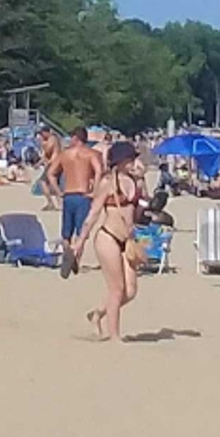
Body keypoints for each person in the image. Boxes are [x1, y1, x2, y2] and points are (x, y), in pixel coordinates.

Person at [72, 141, 146, 342]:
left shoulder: (136, 182)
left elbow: (139, 211)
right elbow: (93, 214)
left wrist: (143, 184)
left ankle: (97, 315)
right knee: (117, 289)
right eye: (130, 159)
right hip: (108, 237)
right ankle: (114, 335)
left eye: (134, 159)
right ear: (120, 161)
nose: (133, 163)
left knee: (130, 291)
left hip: (128, 240)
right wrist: (80, 242)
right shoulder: (107, 183)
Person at [46, 127, 104, 278]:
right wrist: (95, 190)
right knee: (81, 232)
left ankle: (68, 252)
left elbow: (51, 174)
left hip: (68, 195)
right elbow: (99, 171)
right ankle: (76, 258)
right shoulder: (91, 154)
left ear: (76, 138)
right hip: (83, 195)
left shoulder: (65, 154)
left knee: (66, 233)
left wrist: (58, 191)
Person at [37, 125, 63, 211]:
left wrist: (42, 144)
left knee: (45, 182)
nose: (41, 136)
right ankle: (57, 203)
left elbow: (48, 150)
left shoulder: (52, 138)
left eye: (42, 134)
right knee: (54, 183)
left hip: (54, 163)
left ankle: (53, 203)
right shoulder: (51, 139)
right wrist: (38, 163)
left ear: (46, 132)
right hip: (54, 163)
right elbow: (45, 156)